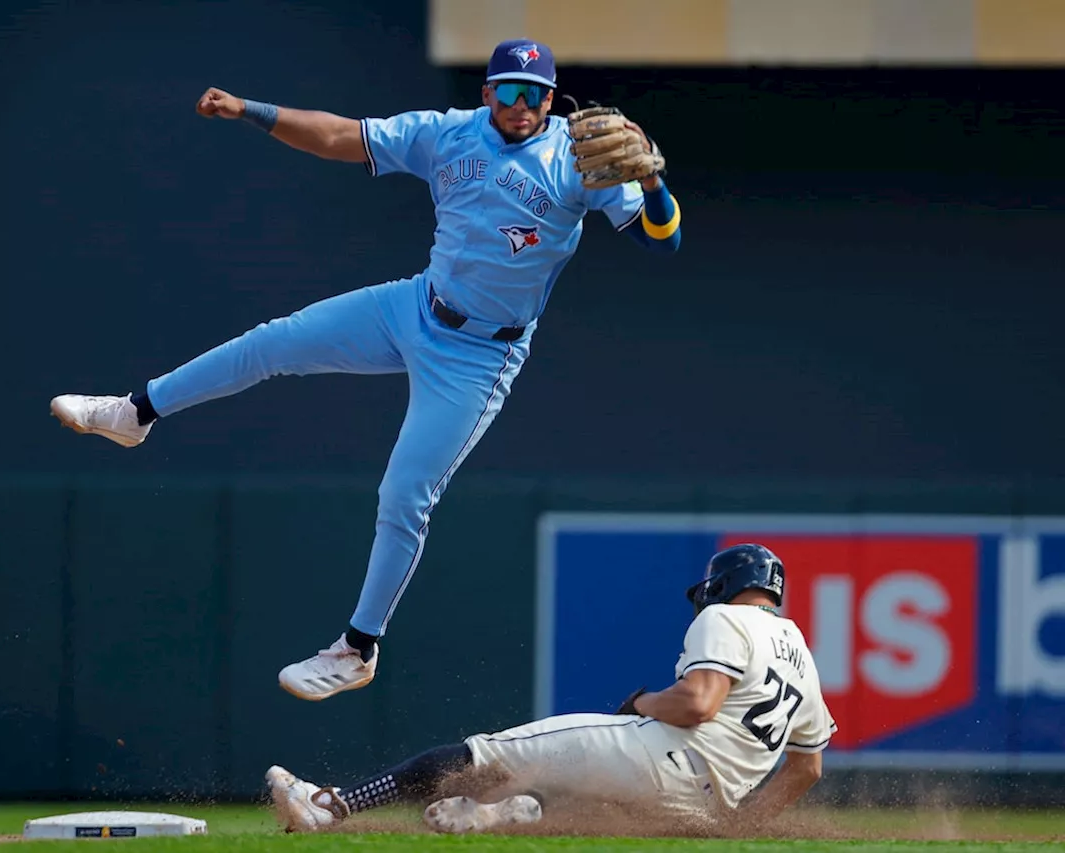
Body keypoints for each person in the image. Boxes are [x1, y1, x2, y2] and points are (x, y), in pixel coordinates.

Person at [48, 38, 682, 701]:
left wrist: (652, 182)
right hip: (415, 306)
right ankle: (134, 412)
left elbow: (663, 241)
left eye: (535, 93)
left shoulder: (578, 159)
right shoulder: (448, 134)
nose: (522, 104)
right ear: (489, 91)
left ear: (552, 99)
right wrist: (249, 110)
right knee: (276, 341)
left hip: (480, 355)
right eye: (509, 89)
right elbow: (336, 137)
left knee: (405, 493)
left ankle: (357, 647)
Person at [265, 544, 837, 834]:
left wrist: (642, 703)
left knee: (483, 754)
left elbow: (696, 704)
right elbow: (805, 769)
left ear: (729, 585)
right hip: (705, 804)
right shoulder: (804, 660)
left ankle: (329, 807)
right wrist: (737, 828)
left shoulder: (728, 619)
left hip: (668, 755)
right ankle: (506, 811)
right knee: (580, 780)